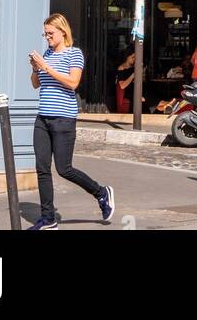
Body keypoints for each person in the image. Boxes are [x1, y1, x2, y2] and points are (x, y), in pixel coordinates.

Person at [29, 13, 115, 231]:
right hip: (43, 117)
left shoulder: (74, 54)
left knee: (64, 169)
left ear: (63, 32)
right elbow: (35, 85)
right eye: (45, 33)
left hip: (64, 119)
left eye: (50, 33)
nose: (47, 37)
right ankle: (48, 219)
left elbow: (73, 83)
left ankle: (101, 192)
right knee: (42, 168)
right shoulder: (47, 54)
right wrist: (35, 68)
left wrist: (46, 67)